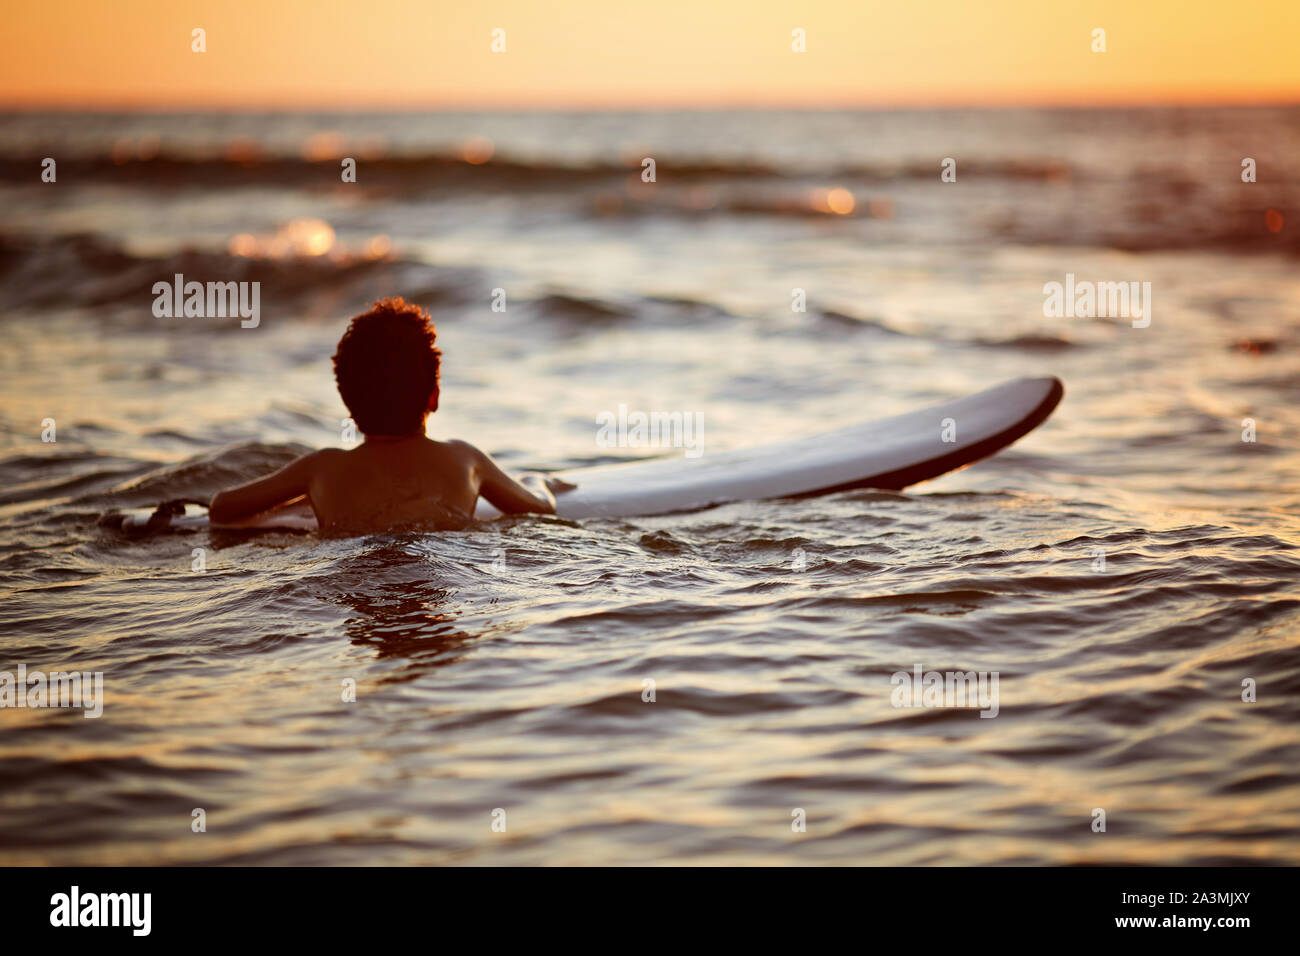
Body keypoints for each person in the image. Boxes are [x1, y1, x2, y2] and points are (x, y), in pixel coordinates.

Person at [209, 297, 567, 534]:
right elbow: (538, 511)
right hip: (449, 566)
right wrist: (540, 481)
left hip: (355, 576)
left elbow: (222, 507)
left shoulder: (321, 469)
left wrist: (305, 497)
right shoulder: (465, 460)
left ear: (347, 402)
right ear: (434, 396)